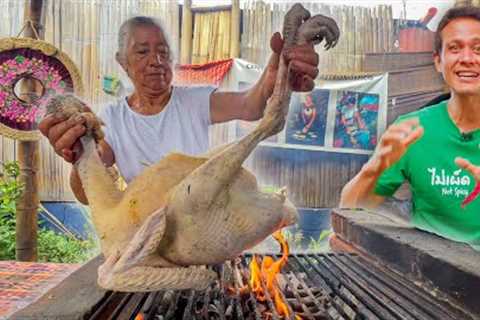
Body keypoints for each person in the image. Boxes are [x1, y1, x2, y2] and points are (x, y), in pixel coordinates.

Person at [39, 16, 321, 205]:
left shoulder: (193, 101)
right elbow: (89, 193)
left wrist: (275, 73)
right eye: (142, 52)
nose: (156, 61)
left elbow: (250, 104)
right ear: (122, 61)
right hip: (146, 231)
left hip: (200, 220)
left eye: (163, 51)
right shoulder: (112, 120)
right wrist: (80, 155)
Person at [340, 6, 480, 249]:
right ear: (438, 61)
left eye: (478, 49)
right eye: (455, 48)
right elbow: (349, 207)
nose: (467, 58)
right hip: (424, 275)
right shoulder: (412, 129)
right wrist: (374, 168)